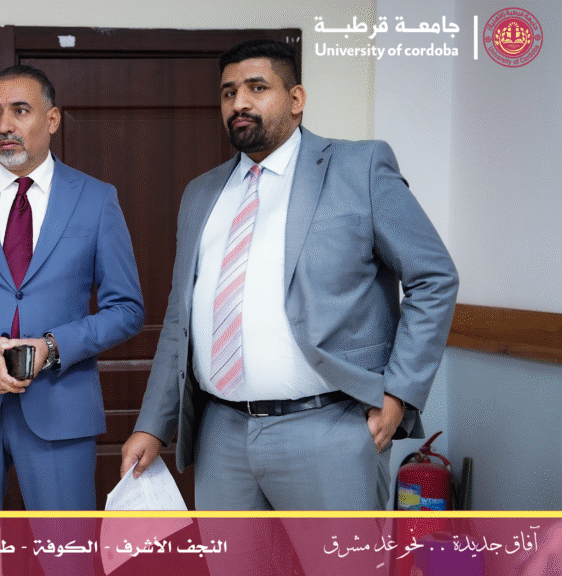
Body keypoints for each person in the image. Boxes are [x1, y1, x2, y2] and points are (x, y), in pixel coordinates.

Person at [121, 39, 458, 512]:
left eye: (257, 88)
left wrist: (399, 392)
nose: (239, 103)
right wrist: (153, 424)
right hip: (221, 434)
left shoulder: (359, 167)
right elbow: (181, 320)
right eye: (229, 92)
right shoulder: (201, 194)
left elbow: (434, 277)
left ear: (296, 99)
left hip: (330, 426)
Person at [0, 64, 144, 511]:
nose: (4, 126)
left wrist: (51, 347)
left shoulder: (96, 199)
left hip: (61, 409)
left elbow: (127, 310)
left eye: (19, 111)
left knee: (65, 549)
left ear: (51, 120)